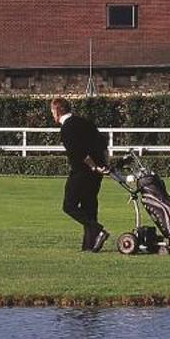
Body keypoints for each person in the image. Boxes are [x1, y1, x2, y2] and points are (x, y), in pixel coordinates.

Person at [50, 97, 110, 253]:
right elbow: (103, 145)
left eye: (52, 111)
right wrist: (105, 165)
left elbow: (79, 152)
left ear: (57, 110)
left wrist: (94, 167)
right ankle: (89, 245)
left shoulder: (67, 128)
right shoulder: (86, 122)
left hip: (82, 172)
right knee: (89, 206)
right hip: (97, 173)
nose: (52, 115)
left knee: (69, 206)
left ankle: (97, 229)